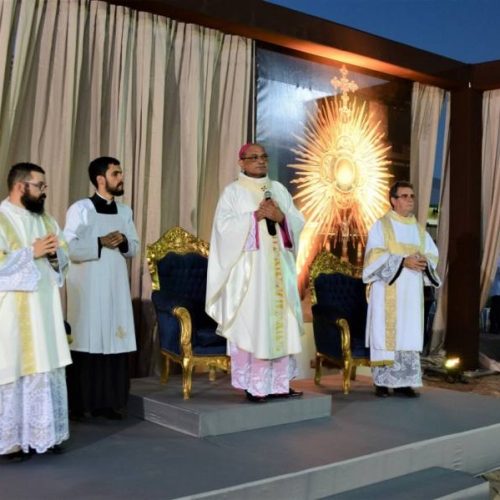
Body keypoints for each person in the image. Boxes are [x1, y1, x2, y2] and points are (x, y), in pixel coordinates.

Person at [206, 143, 304, 403]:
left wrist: (282, 217)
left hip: (279, 271)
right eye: (254, 158)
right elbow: (222, 229)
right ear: (241, 162)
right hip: (251, 276)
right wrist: (254, 217)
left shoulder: (279, 190)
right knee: (255, 326)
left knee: (282, 325)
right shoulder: (233, 192)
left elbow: (298, 222)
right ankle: (255, 384)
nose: (260, 161)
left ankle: (280, 384)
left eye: (264, 157)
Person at [0, 162, 71, 461]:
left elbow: (63, 257)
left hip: (45, 310)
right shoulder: (1, 220)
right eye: (39, 186)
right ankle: (13, 441)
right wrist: (32, 252)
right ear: (20, 187)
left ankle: (46, 434)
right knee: (15, 368)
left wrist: (56, 256)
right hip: (13, 314)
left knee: (47, 364)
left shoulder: (46, 220)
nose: (44, 191)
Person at [64, 157, 139, 420]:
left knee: (113, 342)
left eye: (121, 173)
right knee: (88, 339)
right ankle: (81, 405)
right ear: (100, 179)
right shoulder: (81, 209)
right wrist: (98, 241)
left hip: (116, 286)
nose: (121, 178)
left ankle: (109, 402)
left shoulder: (125, 211)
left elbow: (136, 246)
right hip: (88, 286)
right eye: (116, 173)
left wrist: (123, 241)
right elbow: (68, 248)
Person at [363, 180, 440, 398]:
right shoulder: (382, 225)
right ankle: (382, 382)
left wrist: (423, 261)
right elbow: (373, 256)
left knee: (408, 334)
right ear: (393, 200)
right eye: (405, 196)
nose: (410, 200)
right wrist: (401, 262)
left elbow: (433, 255)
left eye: (412, 196)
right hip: (388, 289)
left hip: (411, 293)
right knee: (386, 336)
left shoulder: (418, 229)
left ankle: (404, 382)